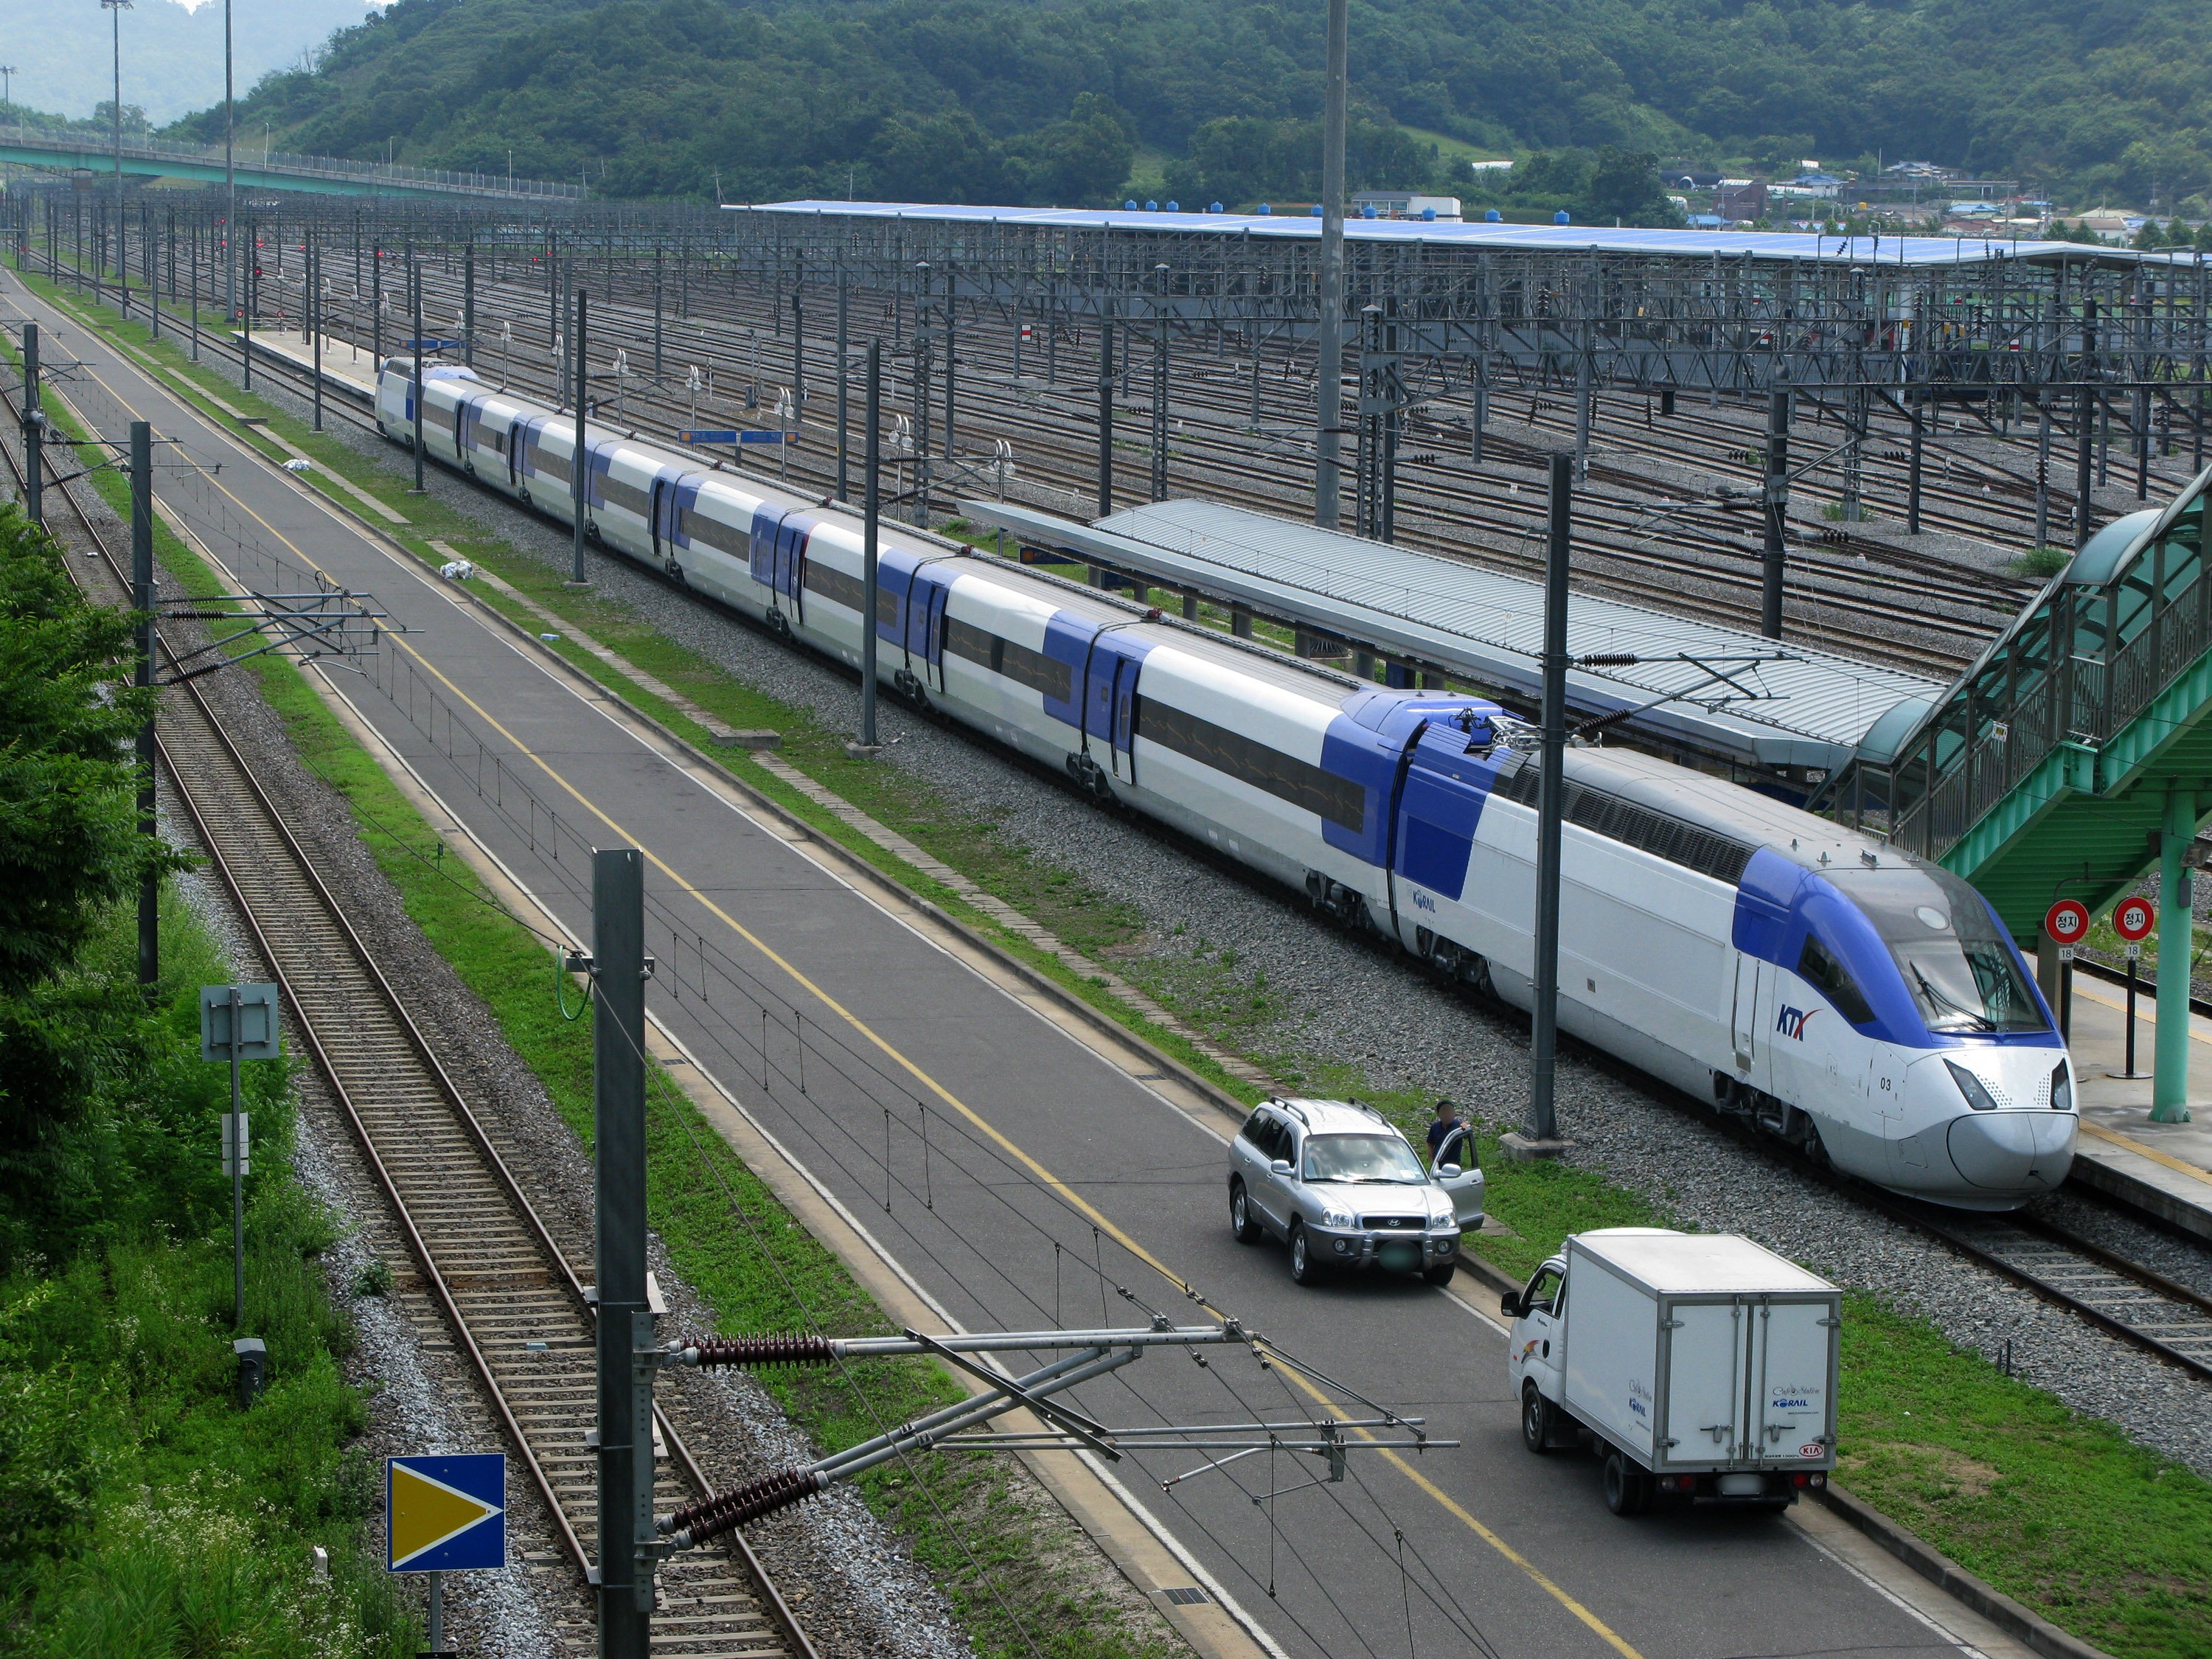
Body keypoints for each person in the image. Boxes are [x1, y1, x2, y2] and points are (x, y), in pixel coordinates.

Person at [1425, 1099, 1462, 1166]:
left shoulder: (1458, 1126)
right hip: (1438, 1166)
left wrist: (1466, 1127)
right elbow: (1430, 1145)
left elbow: (1468, 1135)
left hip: (1453, 1166)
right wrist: (1431, 1162)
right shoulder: (1435, 1127)